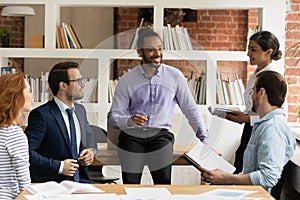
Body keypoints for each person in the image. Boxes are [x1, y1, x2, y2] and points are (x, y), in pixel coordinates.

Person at [107, 27, 208, 184]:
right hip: (133, 136)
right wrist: (129, 121)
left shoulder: (175, 76)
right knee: (130, 182)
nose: (157, 53)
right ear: (139, 52)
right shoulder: (127, 80)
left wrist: (203, 138)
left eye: (160, 49)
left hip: (160, 135)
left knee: (163, 181)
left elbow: (190, 109)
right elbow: (113, 118)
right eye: (151, 50)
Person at [200, 71, 296, 193]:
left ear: (261, 93)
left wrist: (225, 178)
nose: (251, 96)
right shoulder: (264, 124)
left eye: (253, 91)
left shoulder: (273, 128)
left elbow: (268, 177)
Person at [226, 31, 287, 174]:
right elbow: (253, 107)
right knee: (240, 167)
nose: (248, 53)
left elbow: (279, 115)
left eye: (253, 49)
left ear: (269, 52)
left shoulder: (274, 79)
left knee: (249, 174)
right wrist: (243, 116)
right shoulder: (255, 75)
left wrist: (247, 118)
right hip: (249, 129)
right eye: (248, 49)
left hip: (264, 132)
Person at [25, 62, 97, 183]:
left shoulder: (80, 110)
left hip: (80, 180)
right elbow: (27, 152)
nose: (83, 85)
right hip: (53, 182)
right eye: (78, 81)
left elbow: (90, 137)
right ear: (63, 85)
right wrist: (59, 166)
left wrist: (91, 151)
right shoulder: (41, 115)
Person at [0, 73, 32, 199]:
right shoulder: (14, 134)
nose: (32, 96)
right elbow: (24, 183)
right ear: (17, 96)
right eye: (29, 91)